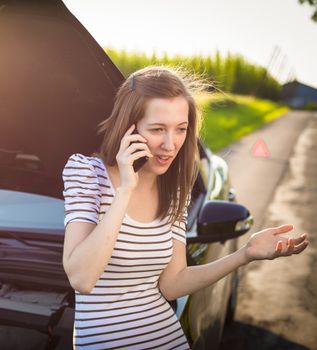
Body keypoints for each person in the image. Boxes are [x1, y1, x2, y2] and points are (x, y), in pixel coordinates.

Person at [61, 66, 310, 350]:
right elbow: (82, 278)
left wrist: (246, 255)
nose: (170, 145)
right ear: (128, 127)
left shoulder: (173, 188)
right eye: (157, 129)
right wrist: (125, 190)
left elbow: (172, 283)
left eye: (181, 129)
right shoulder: (86, 173)